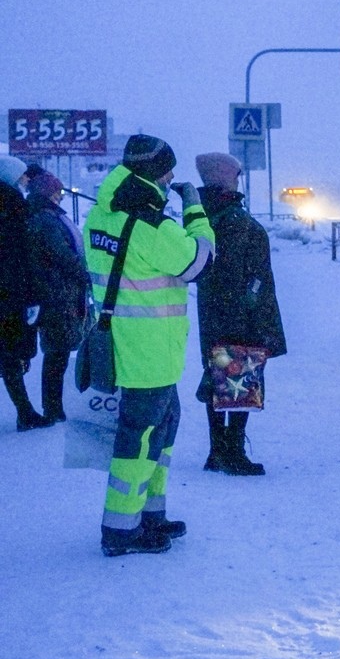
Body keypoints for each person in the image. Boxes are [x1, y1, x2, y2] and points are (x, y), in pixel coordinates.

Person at [85, 135, 214, 557]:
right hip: (149, 351)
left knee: (162, 431)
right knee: (140, 440)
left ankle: (149, 516)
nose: (172, 177)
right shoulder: (150, 225)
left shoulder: (100, 217)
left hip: (130, 344)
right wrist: (194, 209)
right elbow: (199, 260)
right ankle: (121, 529)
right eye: (167, 171)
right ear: (152, 174)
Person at [194, 152, 286, 476]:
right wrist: (252, 307)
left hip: (213, 311)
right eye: (236, 175)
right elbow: (248, 275)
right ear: (226, 178)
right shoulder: (237, 223)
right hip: (242, 314)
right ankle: (232, 453)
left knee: (217, 375)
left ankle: (217, 450)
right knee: (240, 379)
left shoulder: (202, 217)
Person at [26, 171, 91, 423]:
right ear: (47, 193)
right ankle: (53, 408)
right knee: (57, 352)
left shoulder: (44, 217)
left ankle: (54, 406)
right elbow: (62, 256)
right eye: (57, 192)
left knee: (58, 351)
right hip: (57, 293)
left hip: (57, 291)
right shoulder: (46, 220)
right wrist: (85, 274)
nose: (60, 196)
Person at [0, 155, 49, 431]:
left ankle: (25, 411)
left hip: (7, 290)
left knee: (8, 353)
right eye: (21, 176)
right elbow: (23, 256)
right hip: (11, 293)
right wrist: (32, 293)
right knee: (10, 352)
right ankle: (25, 412)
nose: (25, 180)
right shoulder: (14, 206)